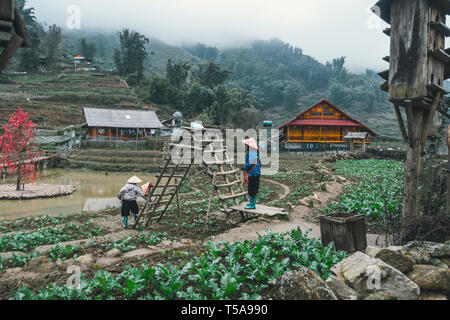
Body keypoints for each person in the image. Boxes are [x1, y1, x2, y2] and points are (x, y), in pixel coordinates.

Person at [241, 138, 261, 209]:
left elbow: (250, 164)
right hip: (256, 173)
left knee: (251, 189)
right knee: (254, 189)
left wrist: (244, 168)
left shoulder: (251, 153)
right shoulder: (254, 152)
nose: (245, 146)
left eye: (246, 145)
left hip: (253, 174)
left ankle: (252, 205)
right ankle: (252, 203)